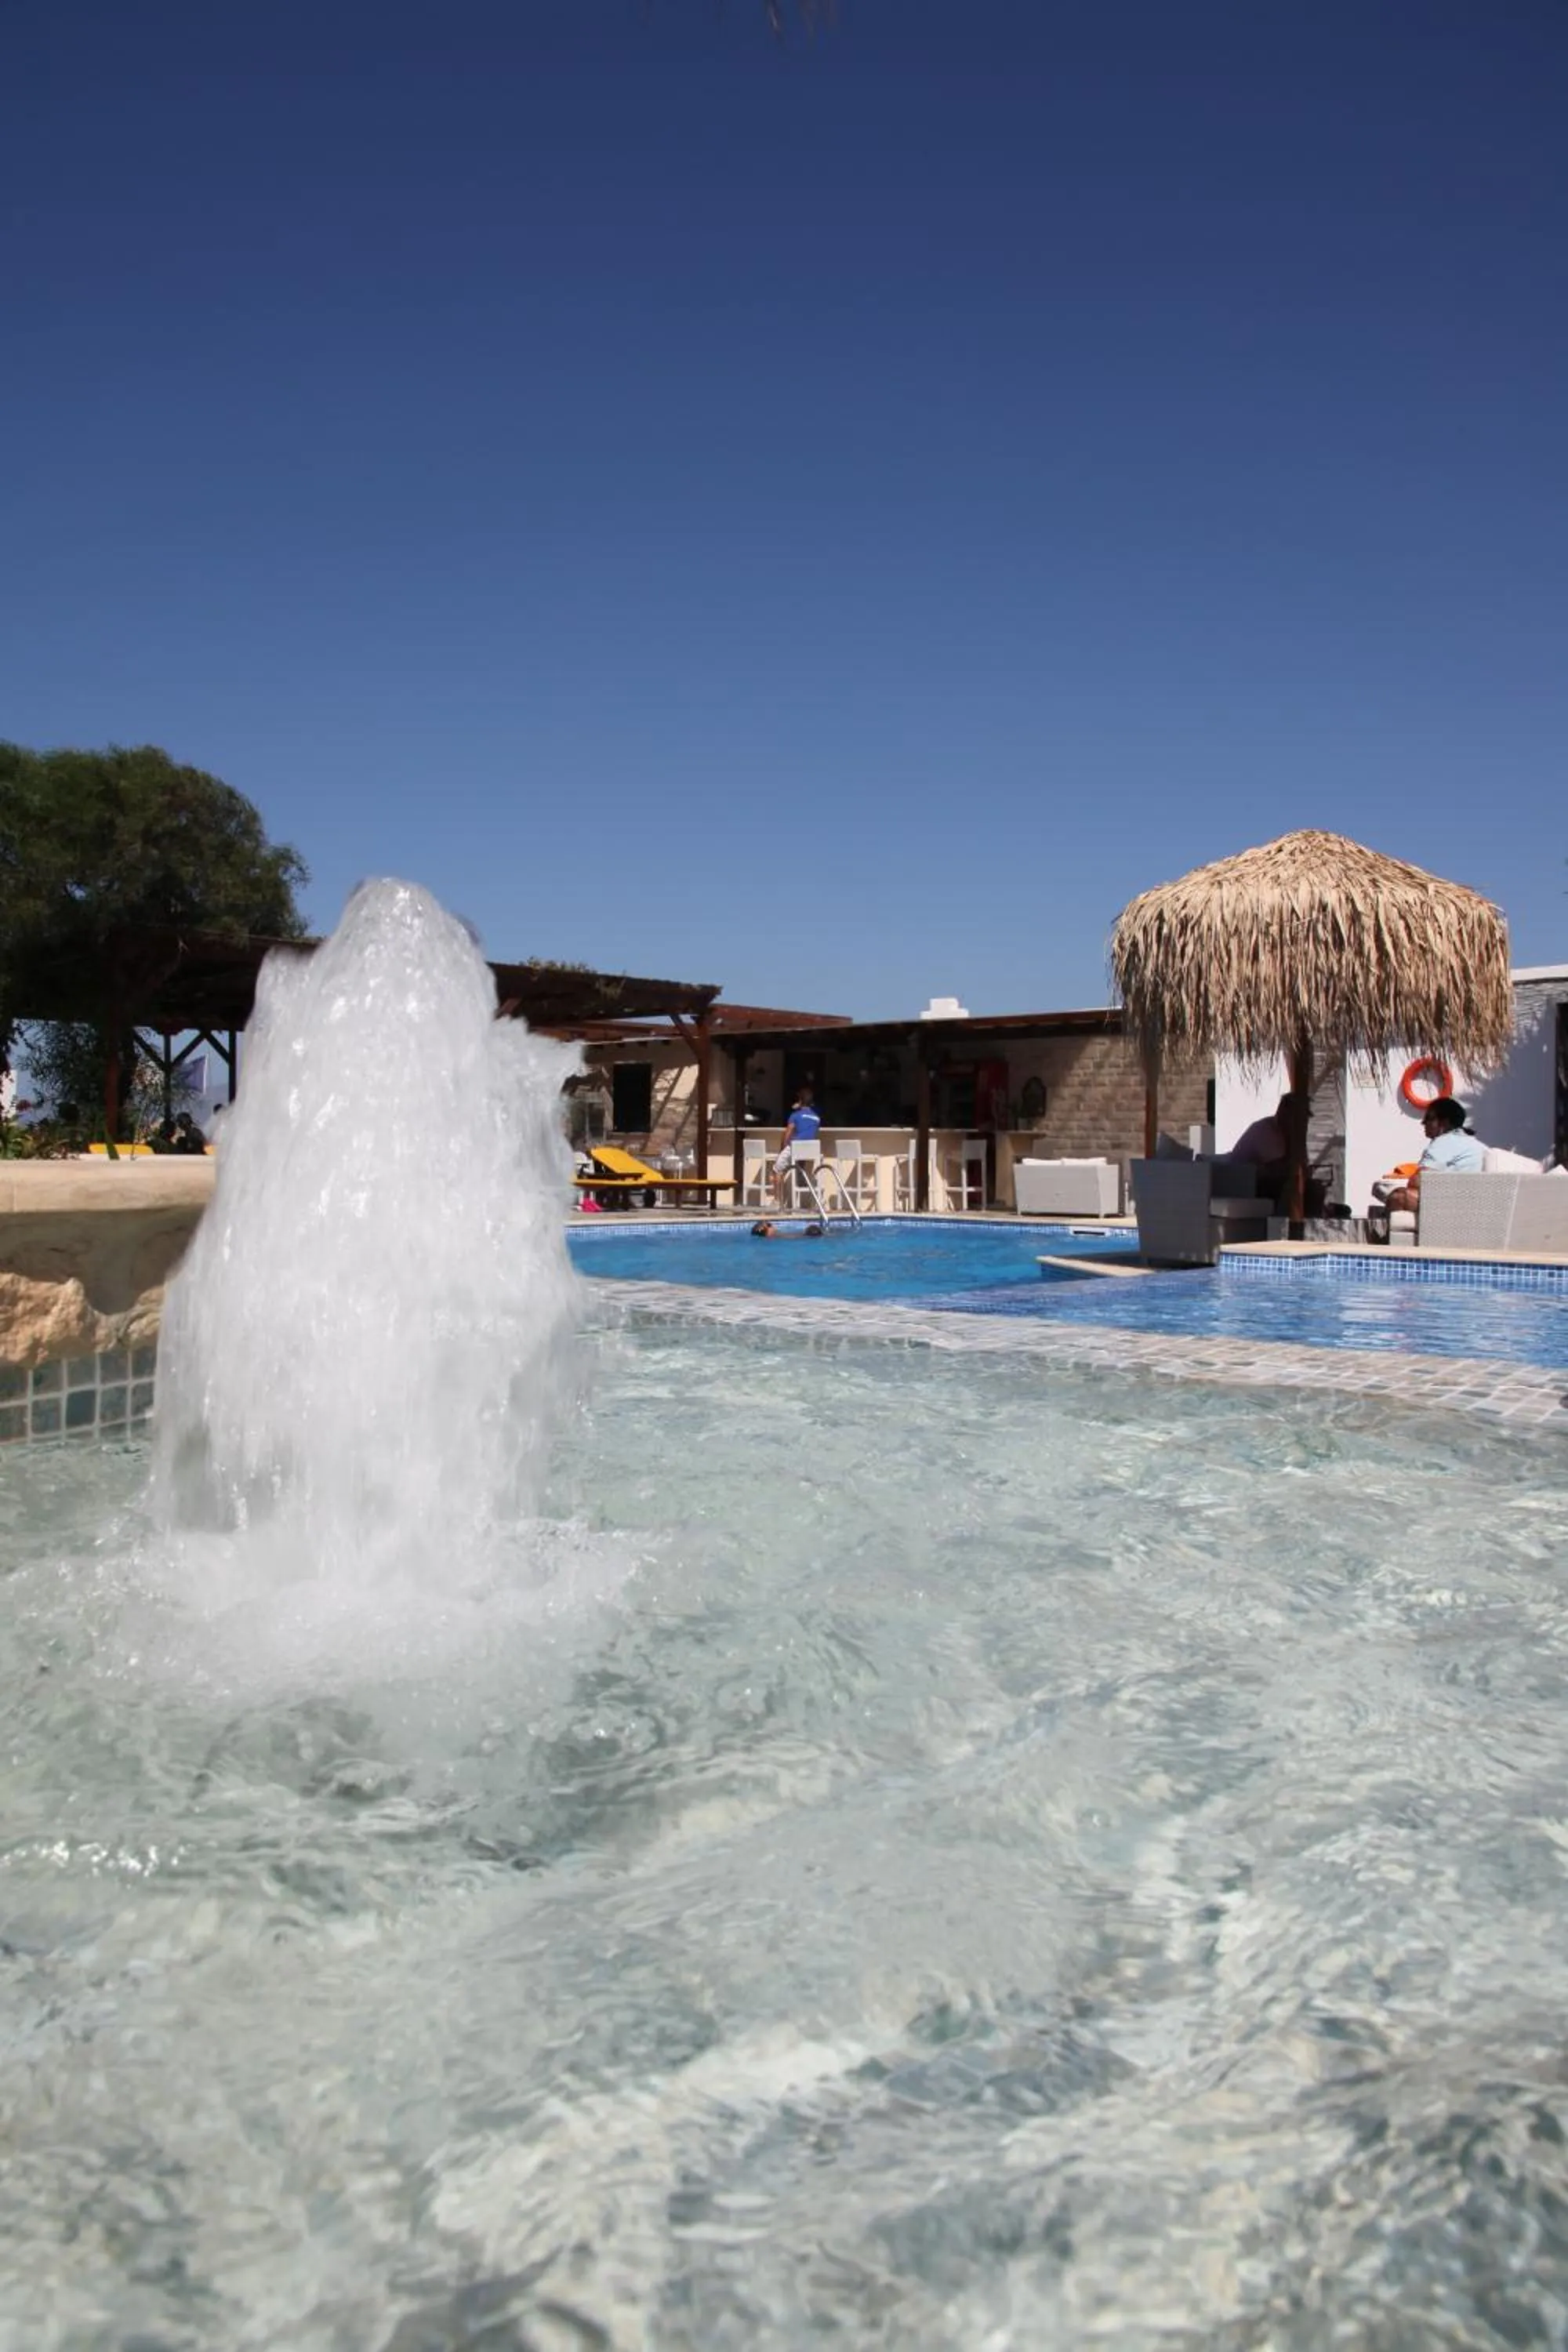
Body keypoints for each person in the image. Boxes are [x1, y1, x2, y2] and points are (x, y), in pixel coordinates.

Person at [1378, 1096, 1483, 1216]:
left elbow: (1419, 1181)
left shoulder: (1444, 1141)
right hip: (1477, 1207)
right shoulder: (1476, 1144)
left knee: (1399, 1196)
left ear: (1444, 1122)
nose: (1423, 1123)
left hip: (1452, 1208)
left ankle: (1382, 1235)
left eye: (1428, 1118)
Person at [1225, 1091, 1305, 1210]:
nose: (1302, 1124)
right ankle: (1287, 1224)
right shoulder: (1267, 1130)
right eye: (1299, 1118)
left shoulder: (1284, 1133)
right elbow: (1283, 1167)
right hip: (1242, 1185)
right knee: (1291, 1186)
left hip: (1256, 1182)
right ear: (1284, 1113)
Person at [771, 1085, 822, 1201]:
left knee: (777, 1170)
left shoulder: (795, 1116)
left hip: (795, 1148)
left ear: (800, 1101)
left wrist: (782, 1150)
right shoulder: (817, 1118)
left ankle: (777, 1201)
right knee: (798, 1168)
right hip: (810, 1151)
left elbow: (787, 1134)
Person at [750, 1221, 826, 1239]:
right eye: (770, 1225)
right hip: (808, 1235)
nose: (773, 1226)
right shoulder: (776, 1236)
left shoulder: (777, 1236)